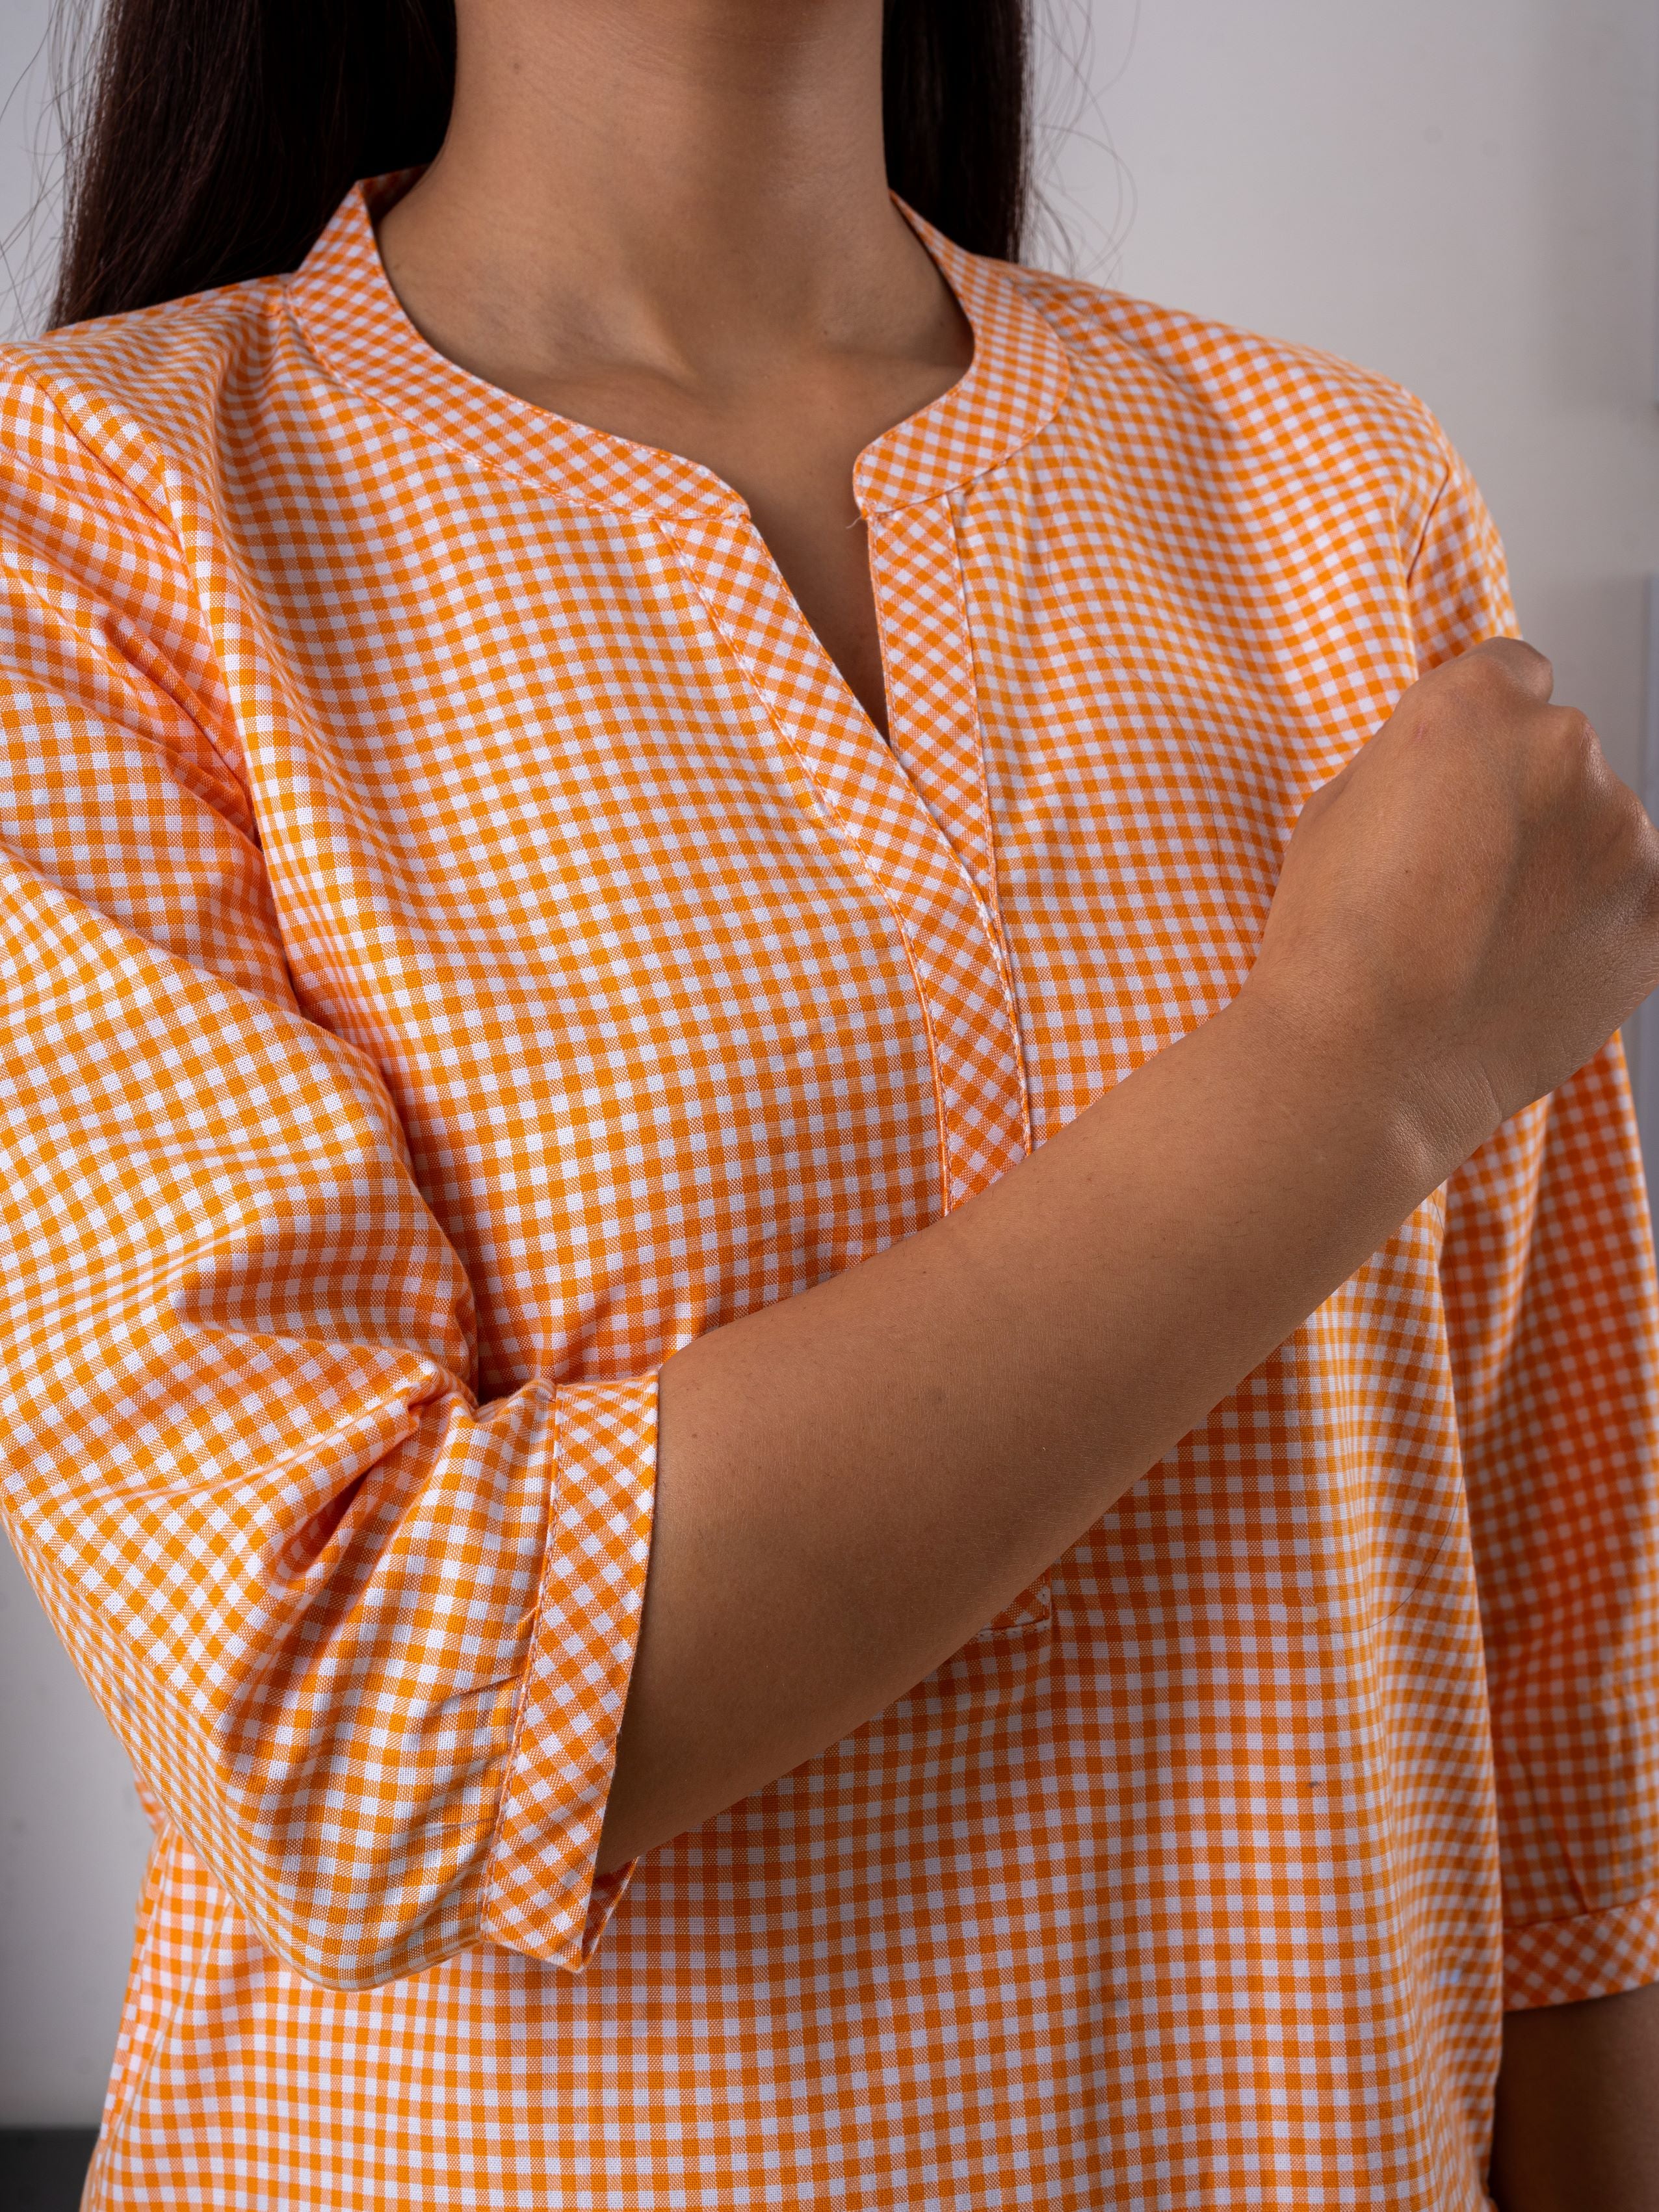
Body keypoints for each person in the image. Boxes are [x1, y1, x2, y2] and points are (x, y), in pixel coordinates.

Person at [3, 0, 1658, 2203]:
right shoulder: (95, 504)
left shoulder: (1342, 489)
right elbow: (344, 1715)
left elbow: (1562, 1699)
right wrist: (1343, 1078)